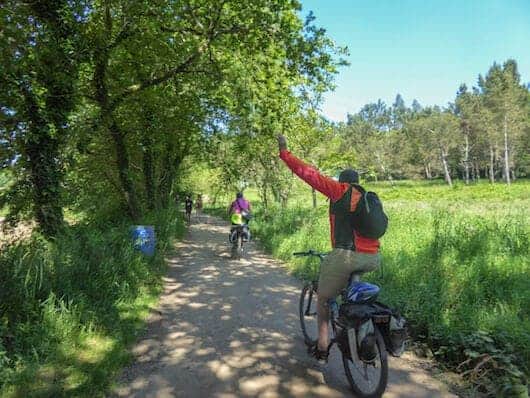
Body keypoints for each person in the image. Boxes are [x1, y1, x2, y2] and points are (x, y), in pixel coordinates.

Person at [277, 134, 381, 361]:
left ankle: (322, 348)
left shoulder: (340, 191)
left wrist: (285, 152)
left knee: (324, 299)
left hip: (346, 256)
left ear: (343, 181)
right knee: (349, 294)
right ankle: (353, 327)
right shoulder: (367, 197)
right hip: (373, 257)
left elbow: (309, 174)